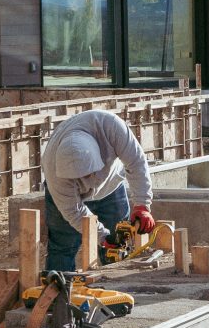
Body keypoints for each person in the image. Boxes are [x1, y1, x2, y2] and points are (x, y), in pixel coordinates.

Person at [39, 109, 156, 273]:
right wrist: (101, 236)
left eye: (88, 175)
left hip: (110, 188)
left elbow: (136, 163)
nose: (86, 182)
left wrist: (142, 205)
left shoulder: (111, 127)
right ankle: (58, 292)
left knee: (119, 243)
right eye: (78, 178)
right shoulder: (55, 173)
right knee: (63, 246)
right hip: (67, 199)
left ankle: (117, 287)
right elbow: (74, 211)